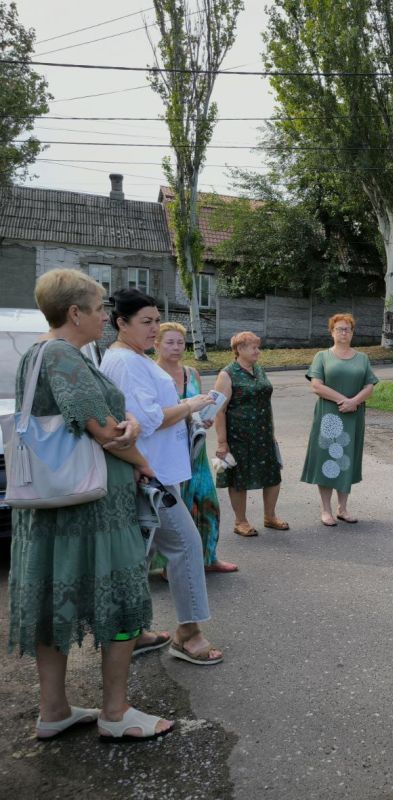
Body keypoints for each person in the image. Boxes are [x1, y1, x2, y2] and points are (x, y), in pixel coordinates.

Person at [8, 269, 172, 741]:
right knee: (119, 600)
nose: (105, 316)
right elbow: (105, 431)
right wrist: (141, 456)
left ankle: (54, 709)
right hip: (93, 510)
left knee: (53, 602)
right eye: (100, 308)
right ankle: (116, 712)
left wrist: (126, 426)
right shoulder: (63, 354)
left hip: (54, 509)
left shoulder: (38, 354)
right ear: (74, 312)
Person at [101, 288, 224, 666]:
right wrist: (189, 405)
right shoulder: (126, 362)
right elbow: (149, 419)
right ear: (121, 323)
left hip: (155, 472)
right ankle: (188, 634)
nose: (154, 329)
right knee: (185, 545)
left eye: (157, 320)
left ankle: (133, 631)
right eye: (146, 322)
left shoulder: (134, 357)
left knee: (144, 551)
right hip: (149, 475)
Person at [154, 322, 237, 573]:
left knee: (206, 502)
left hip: (194, 448)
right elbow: (154, 416)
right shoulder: (152, 374)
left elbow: (196, 407)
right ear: (156, 344)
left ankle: (208, 557)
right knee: (174, 511)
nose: (176, 347)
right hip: (167, 450)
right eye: (169, 342)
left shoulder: (192, 372)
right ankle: (171, 566)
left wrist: (205, 417)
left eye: (180, 342)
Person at [300, 314, 379, 526]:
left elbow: (369, 385)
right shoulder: (322, 356)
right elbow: (316, 385)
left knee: (346, 459)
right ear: (332, 332)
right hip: (329, 415)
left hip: (353, 416)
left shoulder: (362, 358)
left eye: (348, 329)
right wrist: (344, 400)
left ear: (352, 333)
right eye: (340, 329)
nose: (344, 333)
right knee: (327, 459)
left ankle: (343, 508)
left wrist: (354, 402)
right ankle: (325, 509)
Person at [214, 331, 288, 536]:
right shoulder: (227, 374)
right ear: (239, 349)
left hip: (264, 433)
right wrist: (222, 442)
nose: (258, 351)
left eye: (258, 346)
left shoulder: (259, 369)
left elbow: (266, 401)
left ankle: (270, 516)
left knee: (273, 474)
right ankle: (240, 521)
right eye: (254, 347)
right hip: (239, 436)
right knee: (239, 478)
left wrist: (272, 430)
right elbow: (219, 410)